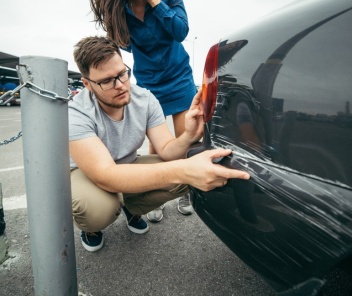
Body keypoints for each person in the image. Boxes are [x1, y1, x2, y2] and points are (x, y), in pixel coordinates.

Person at [69, 36, 250, 252]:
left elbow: (166, 151)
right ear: (87, 84)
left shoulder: (144, 98)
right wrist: (183, 170)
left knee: (187, 170)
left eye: (122, 74)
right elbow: (105, 175)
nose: (120, 86)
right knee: (98, 209)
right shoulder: (76, 112)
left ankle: (132, 208)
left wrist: (189, 135)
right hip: (87, 173)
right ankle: (91, 228)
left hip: (126, 165)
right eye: (107, 81)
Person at [89, 0, 197, 222]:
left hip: (179, 76)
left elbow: (180, 31)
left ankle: (187, 192)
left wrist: (156, 3)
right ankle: (153, 194)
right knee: (157, 142)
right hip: (149, 80)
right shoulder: (121, 11)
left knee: (186, 137)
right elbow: (124, 44)